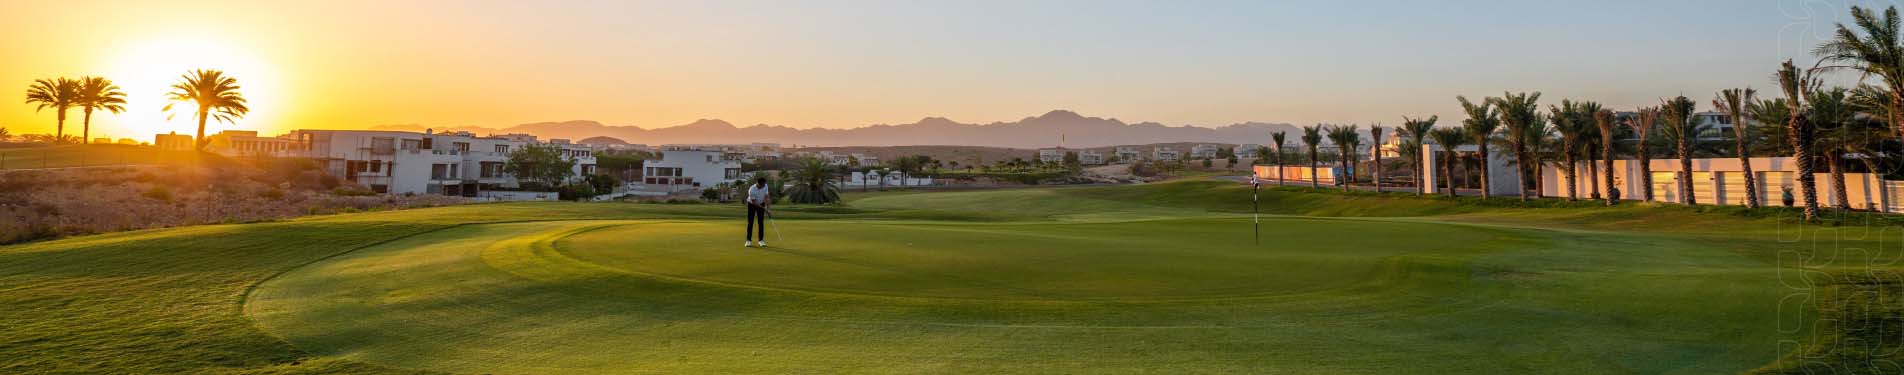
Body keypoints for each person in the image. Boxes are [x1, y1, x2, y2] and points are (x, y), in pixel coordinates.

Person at [744, 177, 771, 247]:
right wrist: (764, 208)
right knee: (750, 222)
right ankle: (748, 240)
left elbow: (767, 197)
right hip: (751, 204)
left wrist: (768, 208)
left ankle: (761, 240)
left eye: (765, 184)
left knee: (761, 222)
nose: (764, 186)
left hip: (761, 203)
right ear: (759, 184)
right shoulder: (751, 190)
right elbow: (754, 202)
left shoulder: (765, 186)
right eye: (763, 185)